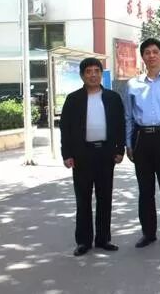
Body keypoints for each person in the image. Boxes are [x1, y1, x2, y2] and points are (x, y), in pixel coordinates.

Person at [60, 57, 125, 256]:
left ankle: (103, 239)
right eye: (88, 71)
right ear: (82, 75)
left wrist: (119, 150)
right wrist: (67, 154)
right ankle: (83, 241)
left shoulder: (112, 98)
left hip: (105, 154)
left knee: (105, 198)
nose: (93, 75)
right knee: (83, 199)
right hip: (82, 154)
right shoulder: (73, 99)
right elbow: (65, 128)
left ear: (101, 74)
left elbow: (120, 125)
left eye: (96, 71)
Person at [125, 38, 160, 248]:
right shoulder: (133, 84)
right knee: (145, 189)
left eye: (155, 52)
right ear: (142, 56)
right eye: (147, 52)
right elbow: (128, 117)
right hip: (142, 138)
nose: (151, 56)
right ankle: (148, 233)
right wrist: (128, 143)